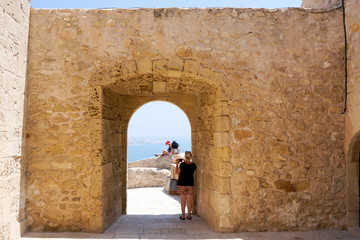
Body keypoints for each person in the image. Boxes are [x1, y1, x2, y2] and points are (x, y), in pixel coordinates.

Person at [176, 151, 196, 220]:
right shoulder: (194, 165)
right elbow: (189, 166)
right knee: (189, 200)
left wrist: (177, 164)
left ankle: (183, 216)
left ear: (185, 156)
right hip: (190, 184)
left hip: (182, 184)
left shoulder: (182, 165)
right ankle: (189, 216)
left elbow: (177, 172)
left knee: (183, 200)